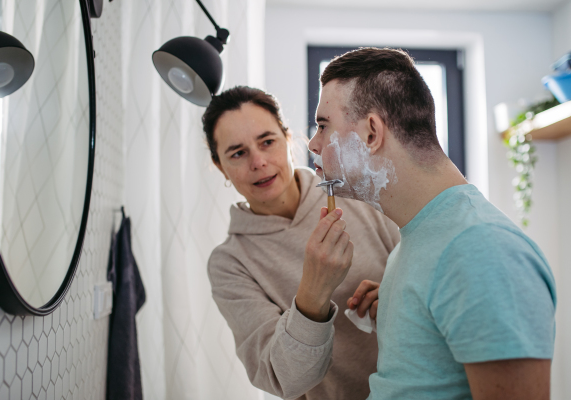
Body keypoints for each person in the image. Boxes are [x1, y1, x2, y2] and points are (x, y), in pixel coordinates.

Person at [307, 47, 557, 400]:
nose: (314, 144)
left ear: (371, 133)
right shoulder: (418, 241)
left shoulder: (481, 251)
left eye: (322, 125)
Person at [203, 86, 400, 400]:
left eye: (267, 142)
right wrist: (314, 291)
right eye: (238, 153)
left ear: (288, 139)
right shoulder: (230, 264)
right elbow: (286, 380)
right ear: (219, 167)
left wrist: (395, 297)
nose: (258, 162)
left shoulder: (356, 191)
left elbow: (435, 282)